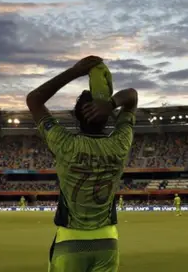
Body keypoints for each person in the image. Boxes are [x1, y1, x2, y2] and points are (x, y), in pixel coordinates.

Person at [26, 56, 137, 272]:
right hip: (107, 240)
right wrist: (111, 104)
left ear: (77, 116)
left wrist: (75, 71)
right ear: (107, 116)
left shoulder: (64, 143)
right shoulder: (120, 143)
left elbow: (34, 100)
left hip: (70, 241)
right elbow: (132, 97)